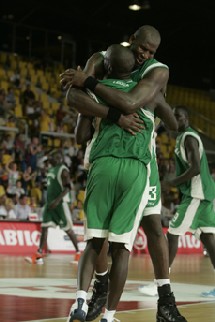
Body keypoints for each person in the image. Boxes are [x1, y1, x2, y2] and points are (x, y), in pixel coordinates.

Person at [61, 26, 186, 322]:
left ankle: (165, 300)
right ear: (130, 41)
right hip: (110, 152)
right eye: (141, 49)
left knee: (153, 226)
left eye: (150, 52)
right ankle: (101, 289)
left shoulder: (157, 70)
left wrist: (91, 90)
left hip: (142, 156)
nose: (145, 55)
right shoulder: (100, 59)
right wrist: (109, 112)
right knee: (106, 239)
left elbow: (128, 103)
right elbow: (74, 99)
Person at [165, 105, 215, 298]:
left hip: (197, 193)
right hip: (204, 193)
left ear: (186, 118)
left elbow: (194, 168)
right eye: (173, 116)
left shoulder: (189, 137)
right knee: (209, 241)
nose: (174, 119)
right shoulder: (185, 137)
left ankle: (161, 284)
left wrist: (171, 183)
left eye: (178, 116)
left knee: (172, 234)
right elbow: (200, 165)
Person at [25, 150, 81, 264]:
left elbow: (67, 188)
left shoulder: (63, 170)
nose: (52, 158)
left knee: (68, 230)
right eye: (52, 157)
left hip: (60, 204)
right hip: (49, 204)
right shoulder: (51, 169)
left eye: (55, 157)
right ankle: (39, 254)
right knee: (44, 227)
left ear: (60, 158)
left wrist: (56, 201)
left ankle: (78, 253)